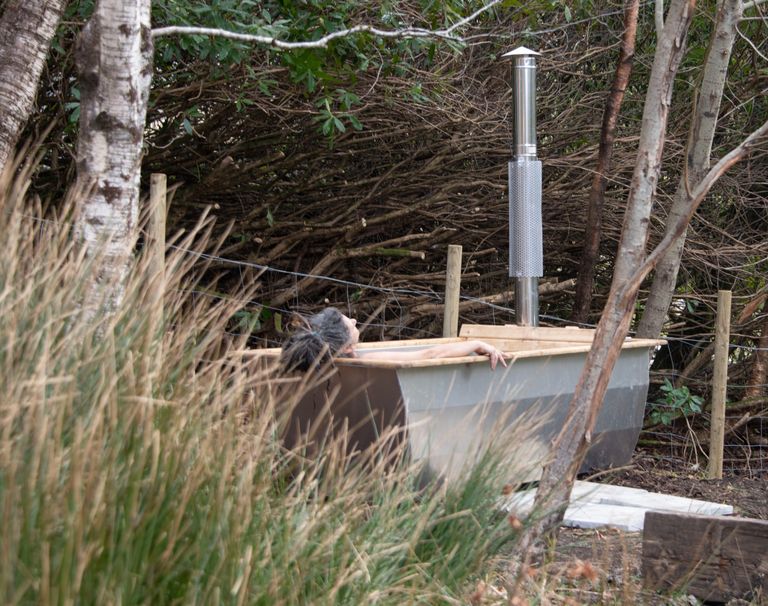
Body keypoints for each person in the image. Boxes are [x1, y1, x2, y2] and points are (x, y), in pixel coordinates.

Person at [280, 307, 507, 372]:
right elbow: (429, 355)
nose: (354, 319)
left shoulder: (331, 362)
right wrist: (477, 344)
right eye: (349, 322)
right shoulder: (365, 363)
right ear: (348, 347)